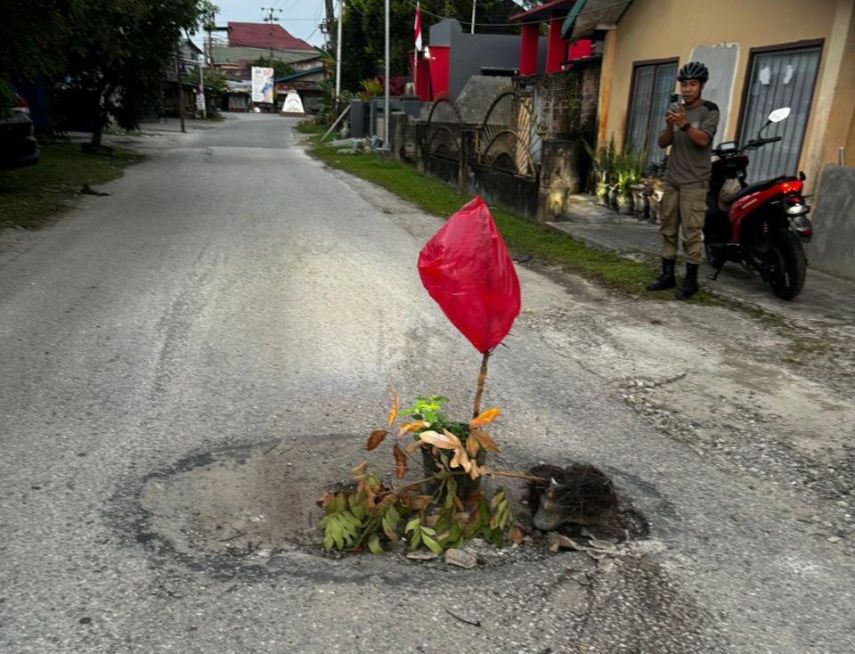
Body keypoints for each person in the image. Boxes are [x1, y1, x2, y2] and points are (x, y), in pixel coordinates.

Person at [647, 61, 720, 300]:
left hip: (695, 182)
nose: (688, 89)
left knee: (691, 232)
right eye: (684, 84)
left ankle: (691, 281)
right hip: (672, 180)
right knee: (668, 228)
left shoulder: (709, 110)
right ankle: (667, 274)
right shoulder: (676, 109)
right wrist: (670, 125)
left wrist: (684, 124)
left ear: (701, 86)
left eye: (693, 84)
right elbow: (662, 142)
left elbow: (703, 140)